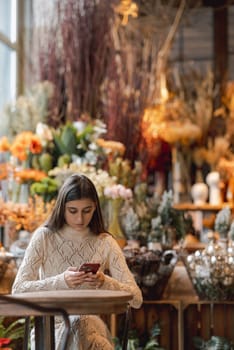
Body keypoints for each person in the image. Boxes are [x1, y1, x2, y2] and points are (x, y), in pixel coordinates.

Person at [12, 173, 143, 350]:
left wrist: (104, 281)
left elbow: (136, 299)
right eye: (72, 211)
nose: (80, 219)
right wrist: (61, 281)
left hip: (91, 331)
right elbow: (18, 289)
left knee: (80, 322)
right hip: (50, 332)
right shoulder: (44, 237)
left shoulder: (105, 242)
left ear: (95, 207)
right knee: (77, 325)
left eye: (86, 211)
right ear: (61, 208)